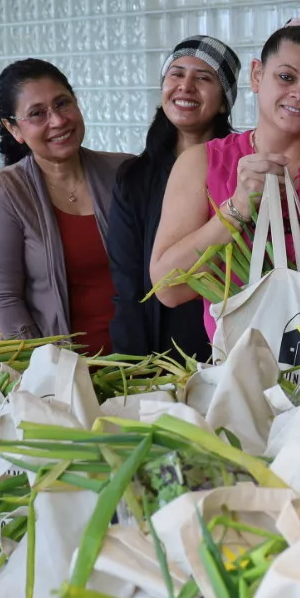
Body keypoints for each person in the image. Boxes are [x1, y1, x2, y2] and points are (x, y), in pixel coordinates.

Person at [149, 22, 300, 338]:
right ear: (256, 75)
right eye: (286, 77)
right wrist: (235, 210)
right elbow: (168, 289)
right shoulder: (201, 164)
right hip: (242, 372)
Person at [0, 59, 128, 353]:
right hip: (65, 372)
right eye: (37, 114)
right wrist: (45, 368)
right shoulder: (6, 192)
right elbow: (4, 298)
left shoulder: (125, 172)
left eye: (62, 103)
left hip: (148, 362)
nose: (58, 121)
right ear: (13, 128)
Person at [107, 35, 238, 359]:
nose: (186, 86)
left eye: (203, 78)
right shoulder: (134, 178)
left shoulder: (242, 172)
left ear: (223, 101)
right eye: (176, 74)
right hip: (160, 354)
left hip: (230, 344)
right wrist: (133, 367)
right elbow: (128, 285)